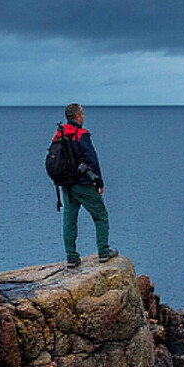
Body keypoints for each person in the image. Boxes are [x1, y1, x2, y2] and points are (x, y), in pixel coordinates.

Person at [54, 103, 117, 268]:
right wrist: (99, 181)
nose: (83, 117)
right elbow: (92, 159)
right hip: (82, 183)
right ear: (77, 116)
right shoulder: (81, 134)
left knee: (69, 219)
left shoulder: (59, 134)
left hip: (66, 184)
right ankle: (103, 251)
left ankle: (71, 256)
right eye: (82, 114)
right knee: (100, 215)